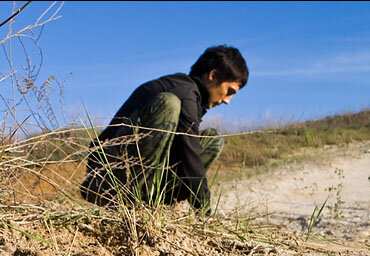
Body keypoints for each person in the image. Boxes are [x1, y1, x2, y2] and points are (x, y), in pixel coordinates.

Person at [80, 45, 248, 214]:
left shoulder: (191, 96)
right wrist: (204, 211)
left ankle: (157, 204)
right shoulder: (184, 92)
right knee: (169, 104)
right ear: (213, 76)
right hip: (105, 179)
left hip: (140, 178)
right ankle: (136, 205)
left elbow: (188, 153)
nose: (228, 100)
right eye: (229, 91)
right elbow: (190, 155)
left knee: (213, 139)